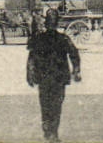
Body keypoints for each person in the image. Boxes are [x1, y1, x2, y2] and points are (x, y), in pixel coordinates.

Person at [26, 10, 81, 143]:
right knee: (56, 106)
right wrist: (76, 70)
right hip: (59, 77)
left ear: (46, 23)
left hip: (44, 77)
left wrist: (29, 74)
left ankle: (47, 130)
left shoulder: (38, 38)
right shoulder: (63, 38)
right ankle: (53, 133)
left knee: (45, 104)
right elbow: (74, 54)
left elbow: (31, 58)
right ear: (57, 24)